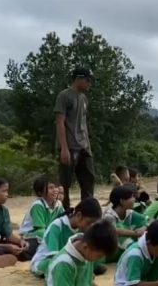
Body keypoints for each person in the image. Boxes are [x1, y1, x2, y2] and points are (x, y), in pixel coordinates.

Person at [55, 67, 96, 210]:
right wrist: (64, 149)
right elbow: (60, 122)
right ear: (79, 78)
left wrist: (88, 147)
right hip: (70, 146)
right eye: (88, 80)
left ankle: (87, 213)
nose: (90, 83)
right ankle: (64, 214)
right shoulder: (64, 96)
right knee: (64, 185)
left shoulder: (84, 98)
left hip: (84, 146)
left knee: (89, 181)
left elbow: (83, 124)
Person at [31, 198, 103, 277]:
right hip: (45, 261)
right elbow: (53, 256)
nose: (90, 227)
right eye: (89, 223)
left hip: (67, 260)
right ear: (79, 215)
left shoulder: (82, 229)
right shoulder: (57, 226)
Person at [45, 220, 118, 286]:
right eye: (99, 256)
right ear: (85, 247)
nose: (99, 259)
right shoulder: (64, 264)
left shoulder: (87, 252)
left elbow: (88, 282)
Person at [114, 220, 158, 286]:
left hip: (144, 280)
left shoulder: (153, 244)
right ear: (149, 243)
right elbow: (133, 284)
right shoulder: (135, 255)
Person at [19, 177, 64, 257]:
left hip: (47, 234)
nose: (55, 190)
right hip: (32, 236)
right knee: (31, 248)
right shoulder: (38, 205)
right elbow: (40, 230)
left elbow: (64, 221)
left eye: (55, 187)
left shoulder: (58, 204)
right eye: (50, 188)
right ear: (40, 192)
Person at [103, 185, 148, 260]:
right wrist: (135, 233)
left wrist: (143, 228)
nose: (134, 199)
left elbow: (147, 220)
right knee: (119, 231)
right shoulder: (109, 216)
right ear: (122, 201)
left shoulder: (129, 212)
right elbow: (113, 231)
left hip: (123, 247)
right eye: (132, 197)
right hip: (111, 249)